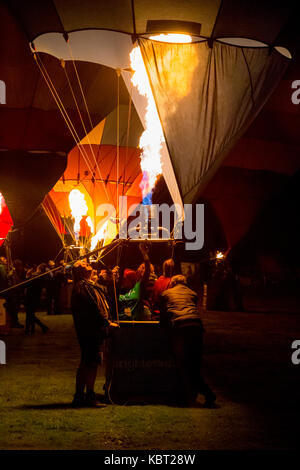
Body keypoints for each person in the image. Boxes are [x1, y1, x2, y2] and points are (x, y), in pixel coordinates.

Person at [160, 274, 216, 407]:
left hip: (181, 328)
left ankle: (194, 394)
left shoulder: (166, 293)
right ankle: (197, 394)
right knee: (194, 364)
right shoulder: (193, 293)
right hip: (196, 327)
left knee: (183, 363)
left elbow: (164, 314)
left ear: (172, 283)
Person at [71, 259, 119, 407]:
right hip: (89, 330)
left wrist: (106, 278)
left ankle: (81, 395)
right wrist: (106, 322)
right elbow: (92, 306)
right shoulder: (82, 287)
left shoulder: (87, 285)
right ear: (80, 271)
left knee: (89, 362)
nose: (87, 263)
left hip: (91, 329)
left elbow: (101, 294)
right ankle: (87, 396)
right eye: (83, 264)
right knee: (90, 362)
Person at [118, 243, 152, 321]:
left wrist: (144, 254)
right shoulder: (118, 289)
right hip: (121, 322)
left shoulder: (138, 287)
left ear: (131, 279)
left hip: (136, 323)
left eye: (125, 278)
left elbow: (147, 271)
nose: (123, 280)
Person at [24, 263, 49, 335]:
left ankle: (41, 327)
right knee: (30, 314)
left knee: (29, 314)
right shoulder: (40, 277)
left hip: (31, 297)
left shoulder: (36, 277)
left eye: (37, 268)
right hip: (35, 297)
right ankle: (31, 329)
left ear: (39, 269)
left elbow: (27, 284)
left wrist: (27, 276)